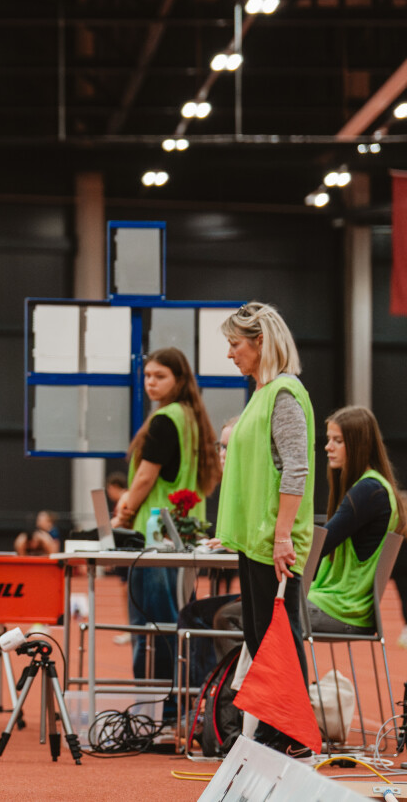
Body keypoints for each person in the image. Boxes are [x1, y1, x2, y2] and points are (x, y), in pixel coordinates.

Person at [217, 301, 316, 753]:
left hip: (273, 539)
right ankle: (278, 729)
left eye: (235, 344)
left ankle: (293, 732)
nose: (230, 354)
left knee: (278, 638)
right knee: (259, 637)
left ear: (260, 343)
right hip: (253, 537)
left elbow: (296, 468)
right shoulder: (261, 393)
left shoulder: (285, 394)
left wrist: (282, 535)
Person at [108, 347, 222, 717]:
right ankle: (177, 705)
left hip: (154, 539)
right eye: (147, 376)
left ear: (179, 379)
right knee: (176, 622)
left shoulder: (164, 420)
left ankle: (160, 710)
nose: (150, 382)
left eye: (160, 376)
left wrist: (123, 513)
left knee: (152, 627)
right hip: (182, 537)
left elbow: (145, 477)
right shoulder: (192, 419)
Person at [307, 407, 404, 635]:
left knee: (238, 613)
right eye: (329, 439)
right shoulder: (374, 487)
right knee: (243, 609)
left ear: (359, 445)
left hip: (340, 609)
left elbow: (319, 546)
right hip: (342, 606)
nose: (328, 446)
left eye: (338, 441)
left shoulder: (369, 491)